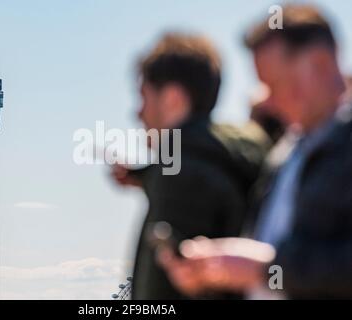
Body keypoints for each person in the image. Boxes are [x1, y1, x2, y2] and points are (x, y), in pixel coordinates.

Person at [158, 4, 352, 299]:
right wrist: (217, 275)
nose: (269, 102)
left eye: (274, 85)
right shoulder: (285, 155)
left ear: (322, 63)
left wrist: (268, 267)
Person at [111, 32, 270, 299]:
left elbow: (161, 292)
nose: (138, 112)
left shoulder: (177, 174)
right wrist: (144, 177)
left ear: (172, 98)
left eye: (144, 96)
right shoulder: (237, 156)